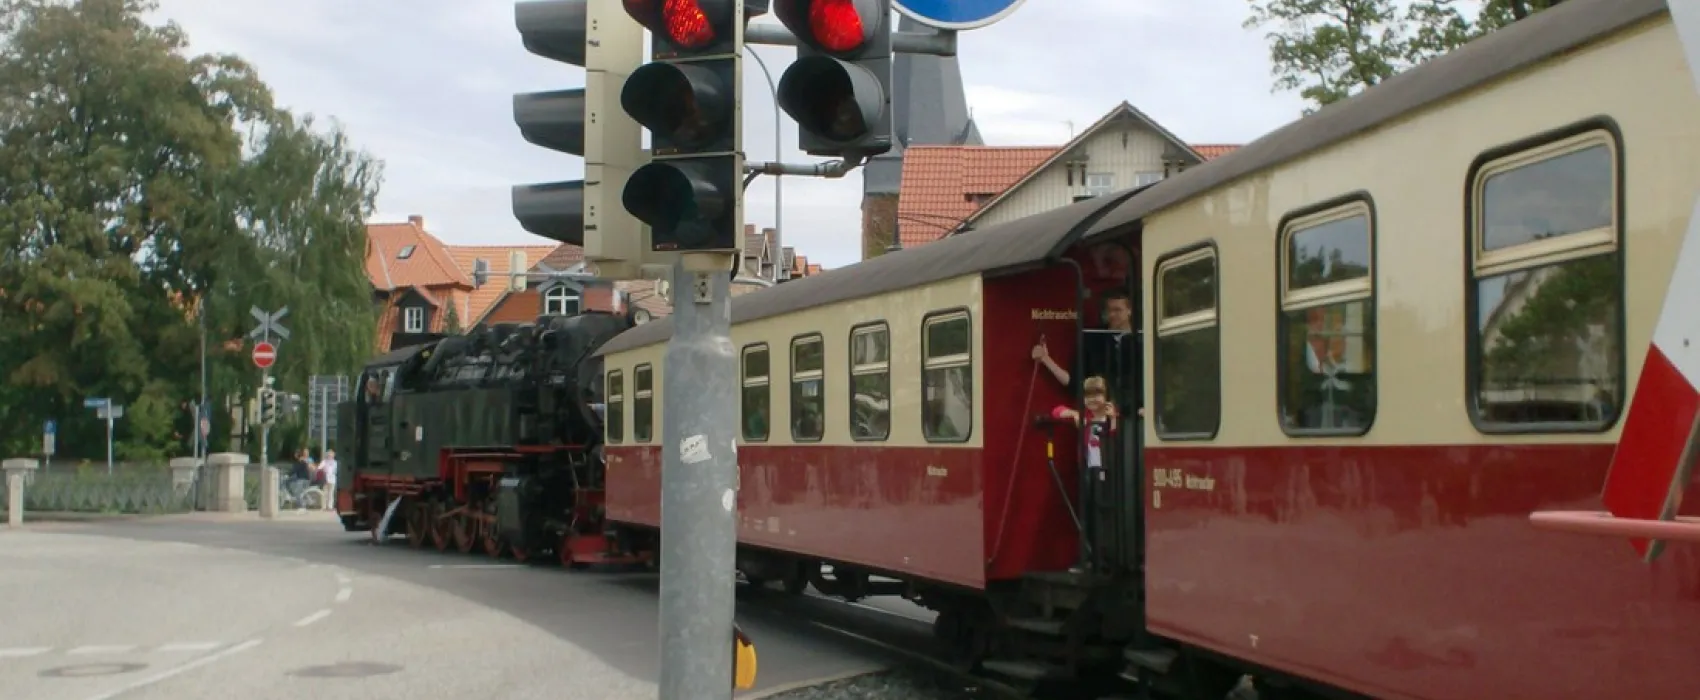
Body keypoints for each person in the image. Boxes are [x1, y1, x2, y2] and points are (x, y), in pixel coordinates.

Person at [1051, 376, 1119, 573]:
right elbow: (1055, 411)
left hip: (1108, 472)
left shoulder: (1112, 417)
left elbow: (1116, 440)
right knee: (1089, 513)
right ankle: (1090, 558)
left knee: (1105, 514)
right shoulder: (1085, 418)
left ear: (1106, 396)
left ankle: (1107, 557)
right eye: (1088, 395)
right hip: (1089, 470)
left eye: (1097, 394)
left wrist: (1113, 419)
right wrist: (1072, 413)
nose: (1092, 400)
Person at [1032, 289, 1136, 408]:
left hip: (1135, 413)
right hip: (1101, 412)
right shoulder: (1092, 339)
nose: (1112, 315)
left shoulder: (1144, 339)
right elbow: (1075, 382)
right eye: (1109, 310)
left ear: (1129, 310)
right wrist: (1046, 359)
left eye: (1117, 310)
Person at [286, 448, 313, 513]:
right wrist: (287, 474)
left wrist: (288, 475)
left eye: (296, 454)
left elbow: (295, 469)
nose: (295, 455)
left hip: (303, 479)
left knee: (297, 493)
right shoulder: (299, 461)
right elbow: (294, 469)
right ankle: (303, 500)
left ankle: (302, 507)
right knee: (289, 482)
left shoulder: (301, 461)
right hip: (302, 478)